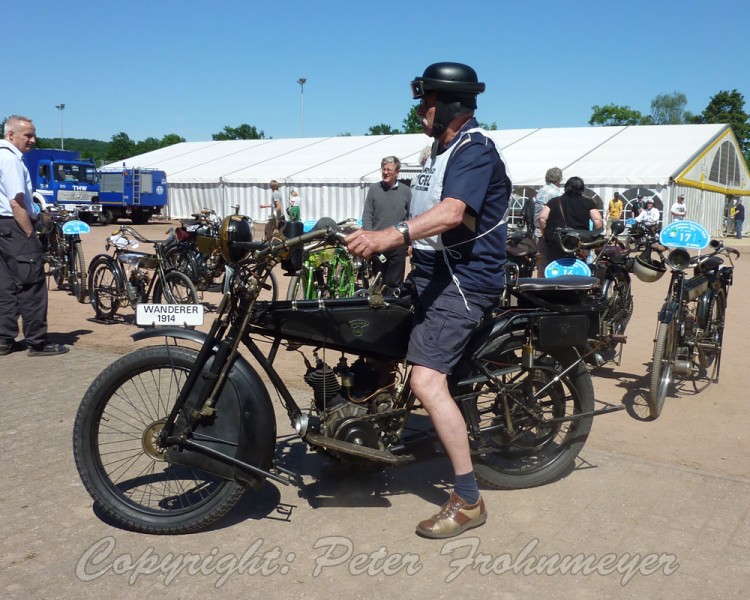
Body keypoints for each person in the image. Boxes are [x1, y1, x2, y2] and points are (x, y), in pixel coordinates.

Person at [346, 62, 511, 539]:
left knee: (426, 381)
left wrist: (387, 237)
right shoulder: (439, 152)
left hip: (464, 281)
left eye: (426, 102)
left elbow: (452, 213)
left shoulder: (475, 149)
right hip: (432, 273)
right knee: (370, 330)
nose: (420, 111)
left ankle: (468, 499)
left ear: (449, 106)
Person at [0, 115, 68, 357]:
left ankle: (3, 340)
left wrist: (36, 213)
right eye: (27, 135)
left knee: (5, 286)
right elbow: (16, 202)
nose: (33, 140)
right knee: (32, 284)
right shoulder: (11, 160)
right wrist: (30, 234)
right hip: (14, 226)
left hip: (3, 228)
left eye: (33, 134)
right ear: (11, 135)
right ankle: (37, 343)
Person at [361, 156, 411, 292]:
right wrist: (369, 238)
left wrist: (410, 242)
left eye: (389, 169)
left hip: (398, 244)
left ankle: (392, 309)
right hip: (378, 244)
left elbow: (410, 218)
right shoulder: (374, 189)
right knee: (378, 280)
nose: (385, 172)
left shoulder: (406, 192)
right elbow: (367, 215)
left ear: (397, 172)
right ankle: (377, 308)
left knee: (394, 283)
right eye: (383, 169)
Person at [539, 176, 603, 264]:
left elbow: (542, 218)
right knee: (580, 266)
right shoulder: (588, 202)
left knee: (552, 265)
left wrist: (545, 235)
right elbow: (598, 221)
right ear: (582, 188)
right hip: (580, 243)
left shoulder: (554, 201)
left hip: (558, 243)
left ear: (566, 187)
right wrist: (593, 237)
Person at [533, 167, 563, 273]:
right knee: (554, 263)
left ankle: (541, 285)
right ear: (559, 179)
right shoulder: (556, 193)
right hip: (548, 230)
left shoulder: (541, 190)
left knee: (542, 262)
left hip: (537, 229)